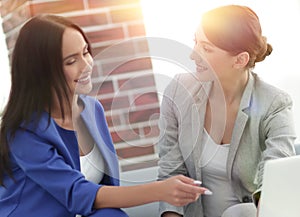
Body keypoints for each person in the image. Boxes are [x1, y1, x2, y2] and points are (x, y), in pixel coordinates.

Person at [0, 14, 209, 217]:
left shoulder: (92, 110)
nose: (86, 65)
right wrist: (159, 190)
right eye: (71, 61)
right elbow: (76, 194)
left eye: (85, 52)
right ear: (41, 72)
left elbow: (106, 189)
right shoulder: (23, 132)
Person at [157, 5, 296, 217]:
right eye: (196, 42)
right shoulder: (179, 92)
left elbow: (272, 182)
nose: (194, 55)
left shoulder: (275, 104)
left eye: (206, 48)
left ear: (240, 60)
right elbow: (171, 174)